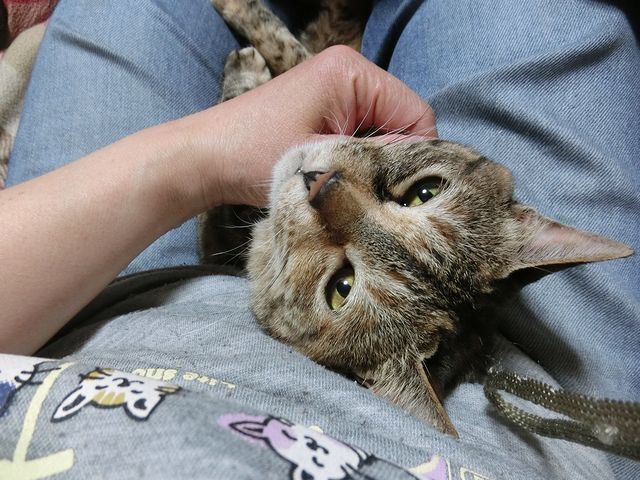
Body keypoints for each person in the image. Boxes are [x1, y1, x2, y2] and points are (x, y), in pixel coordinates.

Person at [0, 1, 637, 479]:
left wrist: (190, 163)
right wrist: (194, 160)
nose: (328, 189)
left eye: (343, 284)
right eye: (420, 195)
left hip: (89, 312)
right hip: (567, 432)